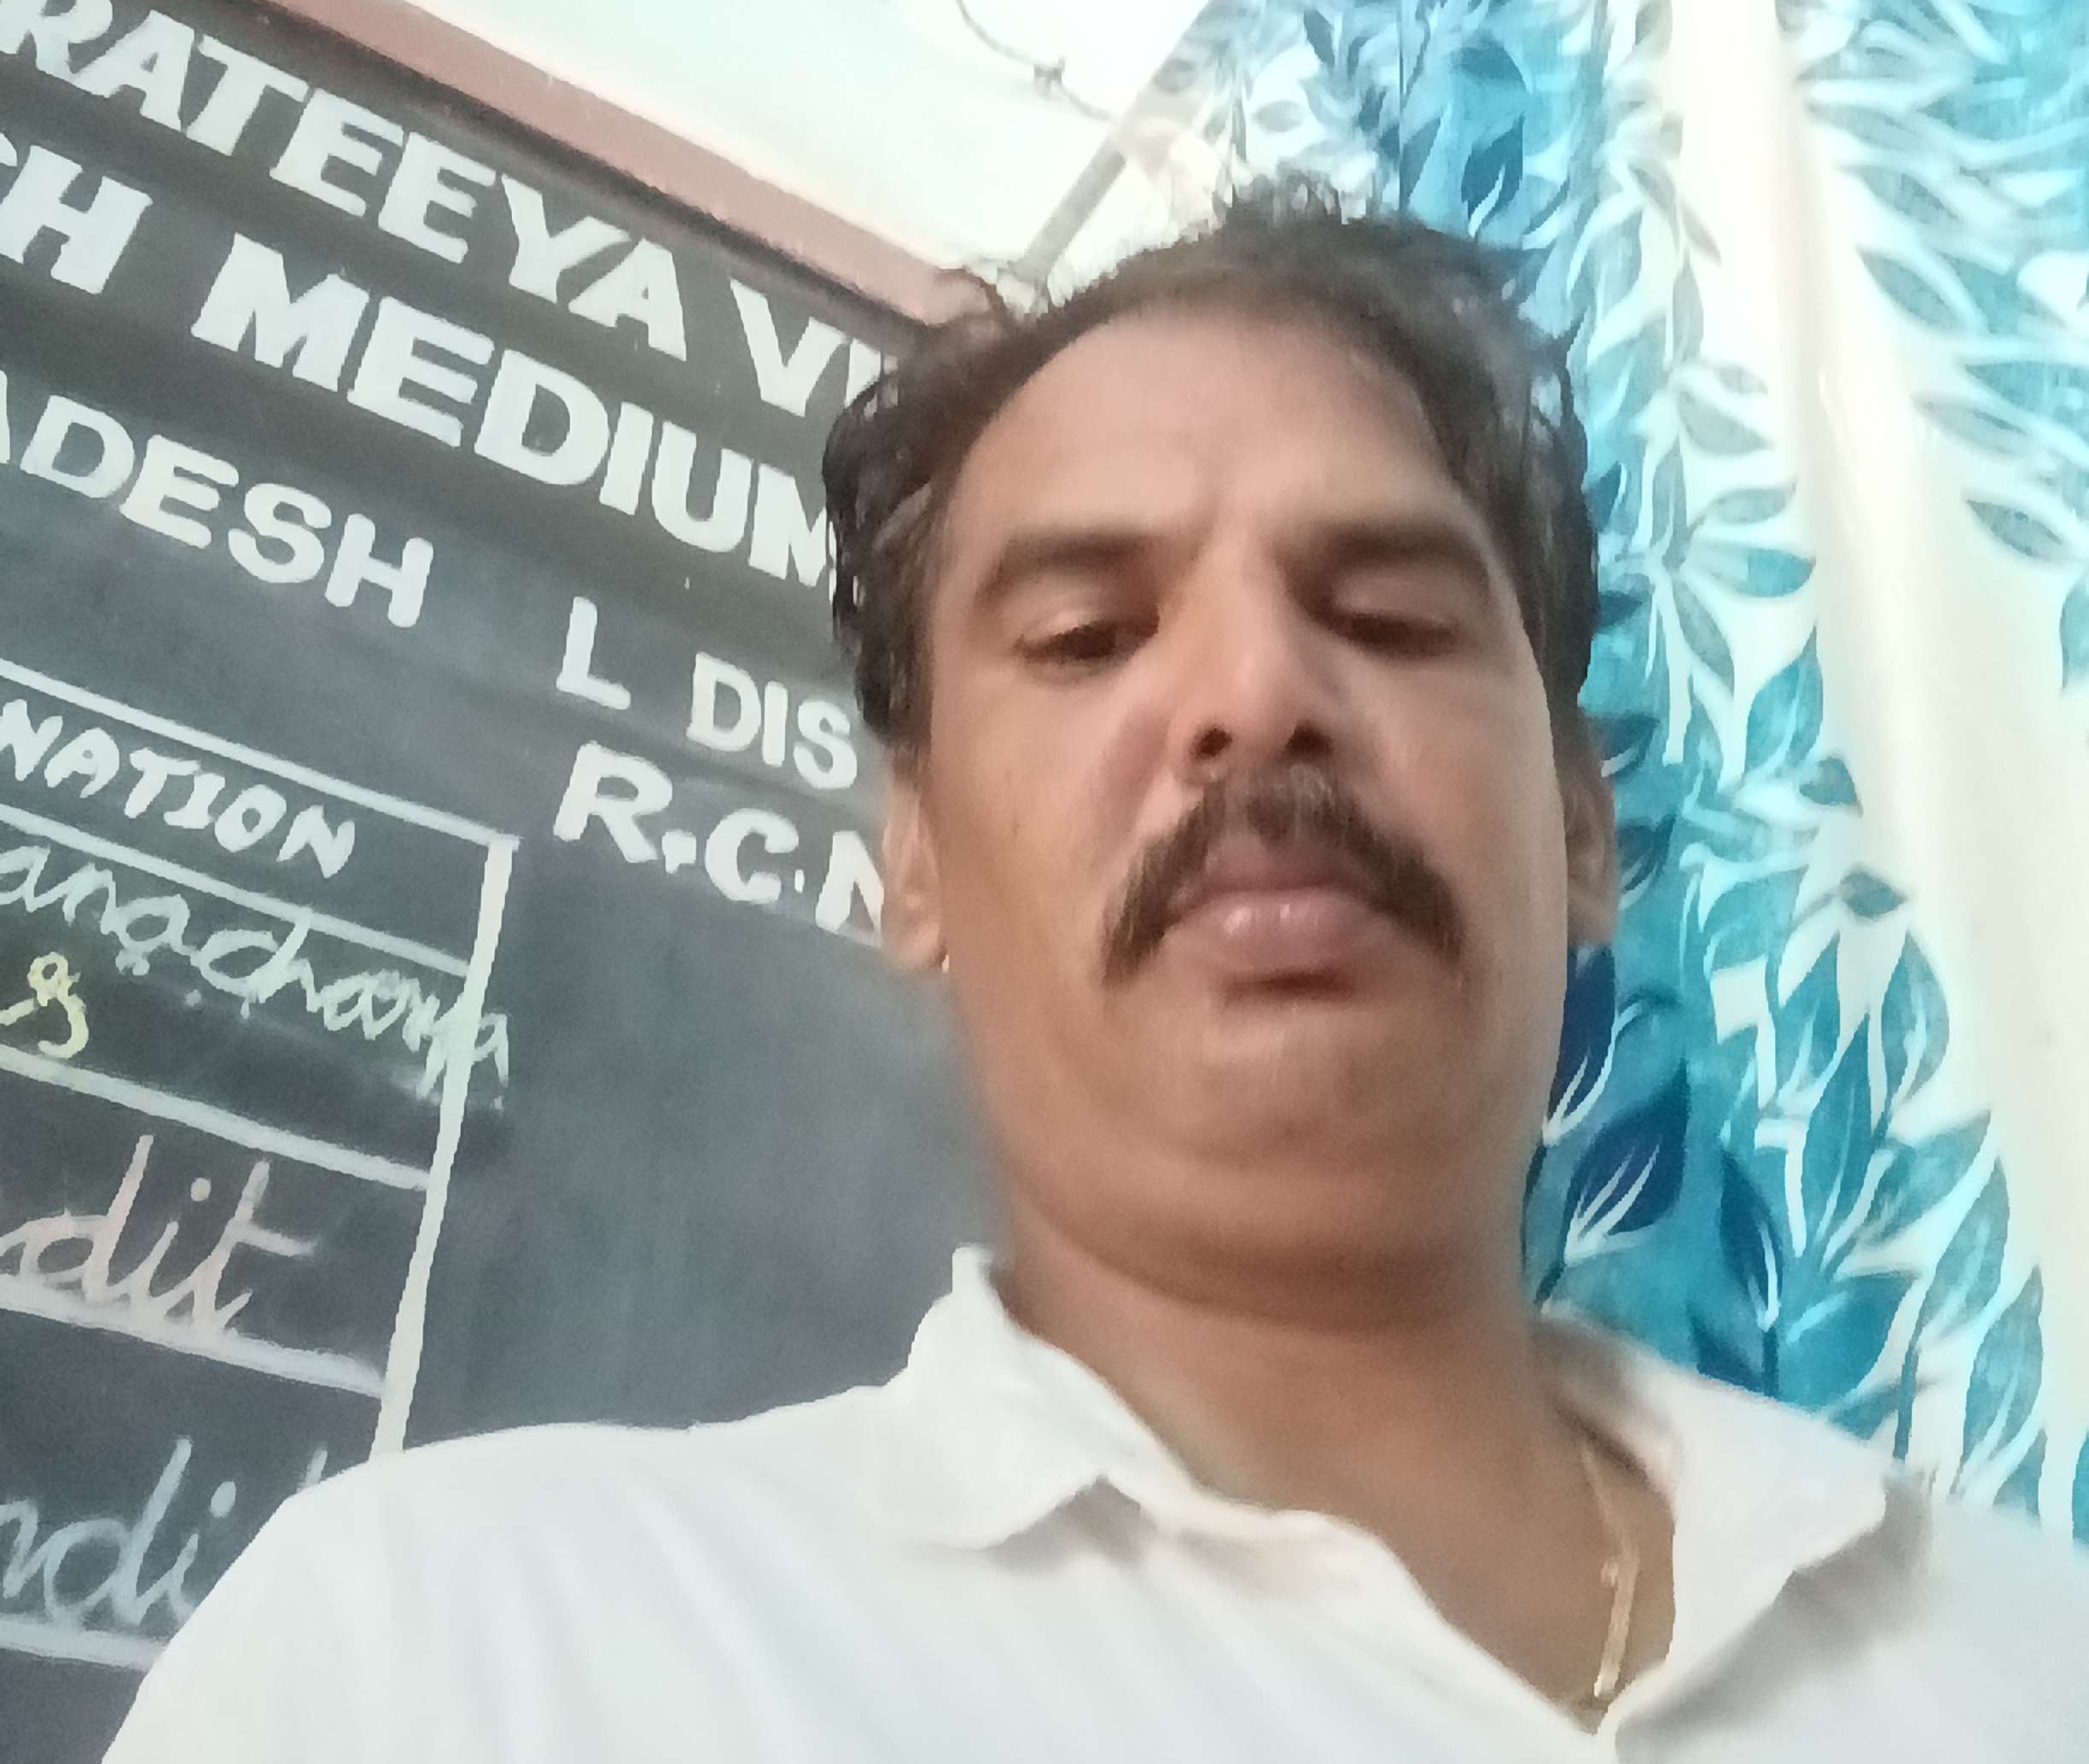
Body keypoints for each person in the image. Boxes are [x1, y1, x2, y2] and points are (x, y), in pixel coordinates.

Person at [108, 188, 2089, 1758]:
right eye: (1084, 637)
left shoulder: (2025, 1655)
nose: (1254, 691)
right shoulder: (444, 1663)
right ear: (915, 863)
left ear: (1582, 828)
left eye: (1392, 618)